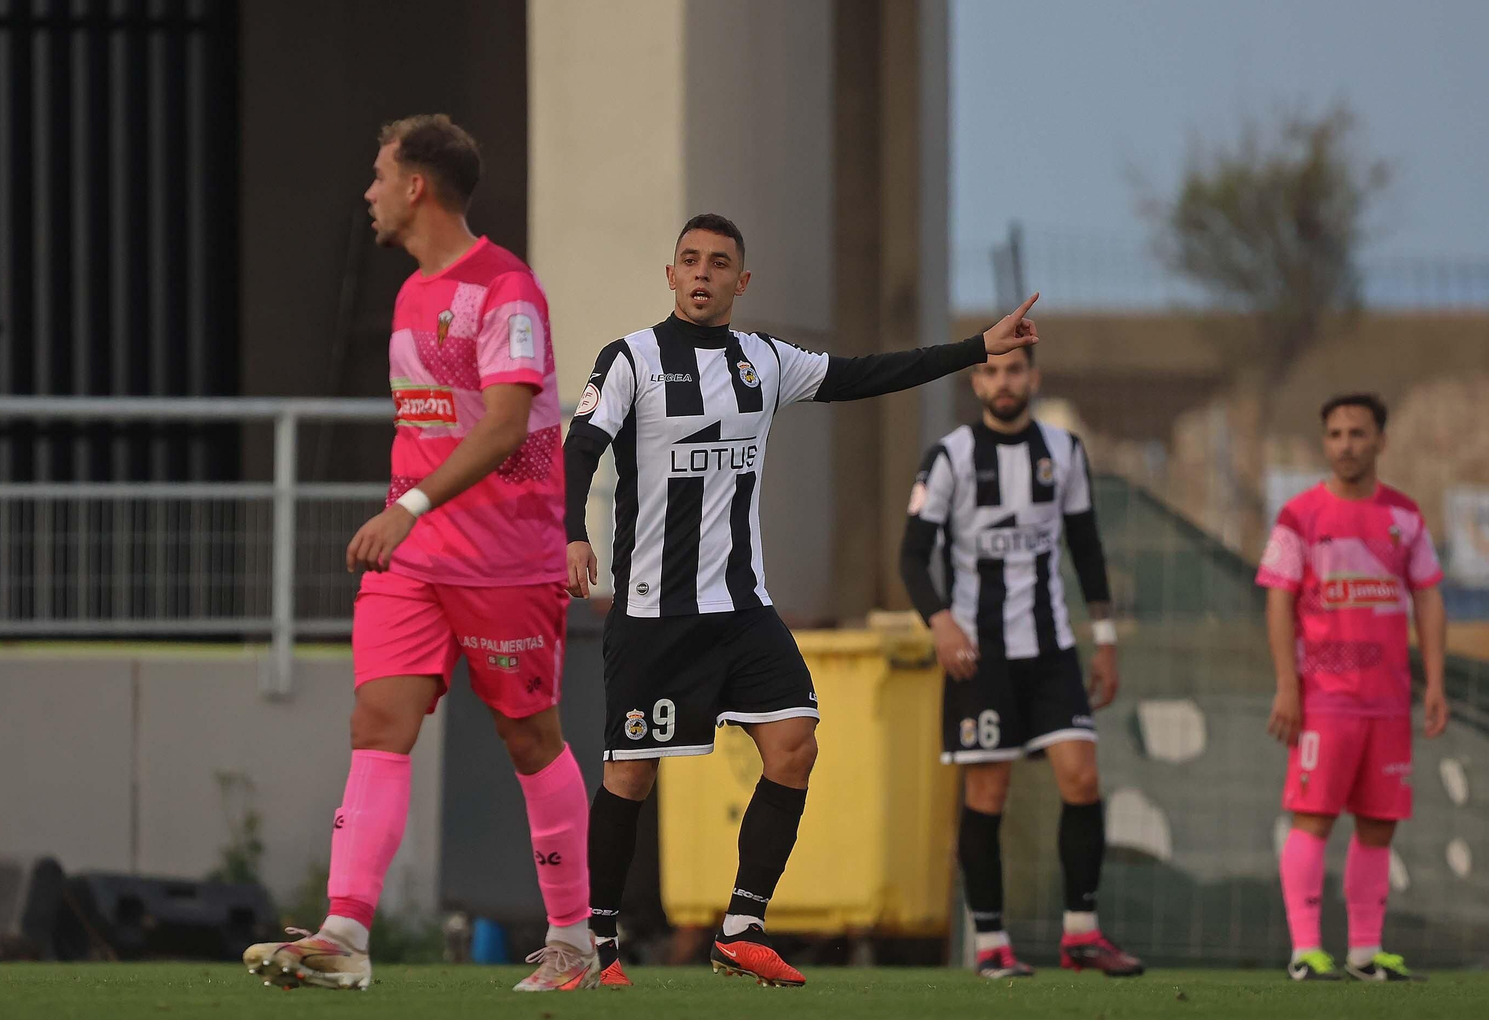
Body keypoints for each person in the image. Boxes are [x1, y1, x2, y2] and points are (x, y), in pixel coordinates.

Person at [563, 212, 1041, 987]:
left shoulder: (765, 361)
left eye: (720, 262)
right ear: (671, 274)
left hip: (742, 609)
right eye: (691, 260)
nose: (704, 273)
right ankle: (597, 943)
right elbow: (581, 445)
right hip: (654, 614)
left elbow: (866, 374)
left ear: (742, 281)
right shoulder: (631, 359)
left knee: (794, 744)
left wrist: (975, 349)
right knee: (631, 777)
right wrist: (572, 534)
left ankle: (741, 927)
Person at [243, 114, 598, 992]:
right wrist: (408, 516)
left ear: (415, 187)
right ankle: (345, 933)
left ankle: (574, 939)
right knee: (378, 724)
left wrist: (407, 506)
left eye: (378, 175)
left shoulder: (507, 290)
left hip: (505, 558)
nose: (367, 192)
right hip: (416, 560)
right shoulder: (408, 295)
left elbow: (506, 425)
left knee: (529, 738)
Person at [899, 344, 1143, 979]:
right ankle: (990, 943)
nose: (1002, 381)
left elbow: (1085, 546)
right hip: (980, 657)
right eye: (991, 371)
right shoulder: (950, 455)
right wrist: (941, 621)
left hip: (1051, 649)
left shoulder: (1064, 451)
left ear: (1033, 377)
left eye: (1013, 370)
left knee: (1082, 778)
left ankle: (1082, 935)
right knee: (988, 792)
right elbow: (912, 555)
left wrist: (1106, 638)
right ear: (976, 381)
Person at [1259, 393, 1448, 982]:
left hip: (1388, 701)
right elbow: (1278, 600)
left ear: (1380, 441)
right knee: (1313, 816)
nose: (1345, 445)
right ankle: (1305, 951)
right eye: (1335, 434)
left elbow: (1428, 596)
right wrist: (1287, 685)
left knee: (1378, 823)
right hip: (1324, 698)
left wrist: (1435, 682)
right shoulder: (1299, 516)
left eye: (1357, 433)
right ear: (1325, 442)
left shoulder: (1405, 516)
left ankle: (1365, 954)